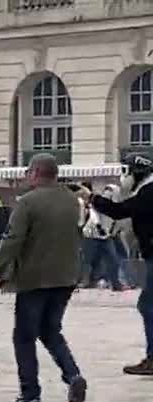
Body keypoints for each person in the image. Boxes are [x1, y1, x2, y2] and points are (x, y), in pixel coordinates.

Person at [0, 154, 88, 402]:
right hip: (65, 277)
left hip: (34, 278)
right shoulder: (71, 201)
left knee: (24, 336)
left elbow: (12, 240)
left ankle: (30, 394)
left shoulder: (28, 202)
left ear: (35, 173)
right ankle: (73, 375)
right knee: (51, 330)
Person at [91, 152, 153, 375]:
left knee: (148, 305)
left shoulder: (148, 191)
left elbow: (120, 211)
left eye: (125, 171)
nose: (123, 177)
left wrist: (92, 198)